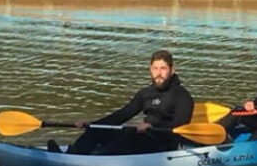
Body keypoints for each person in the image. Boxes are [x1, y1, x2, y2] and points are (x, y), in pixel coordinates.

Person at [47, 50, 194, 155]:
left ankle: (97, 161)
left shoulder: (182, 96)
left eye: (163, 68)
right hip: (144, 136)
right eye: (155, 68)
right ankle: (73, 154)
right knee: (99, 129)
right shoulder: (145, 93)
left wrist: (152, 126)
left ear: (172, 70)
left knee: (128, 136)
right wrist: (93, 124)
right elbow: (122, 115)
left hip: (164, 143)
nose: (159, 73)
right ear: (150, 69)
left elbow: (181, 127)